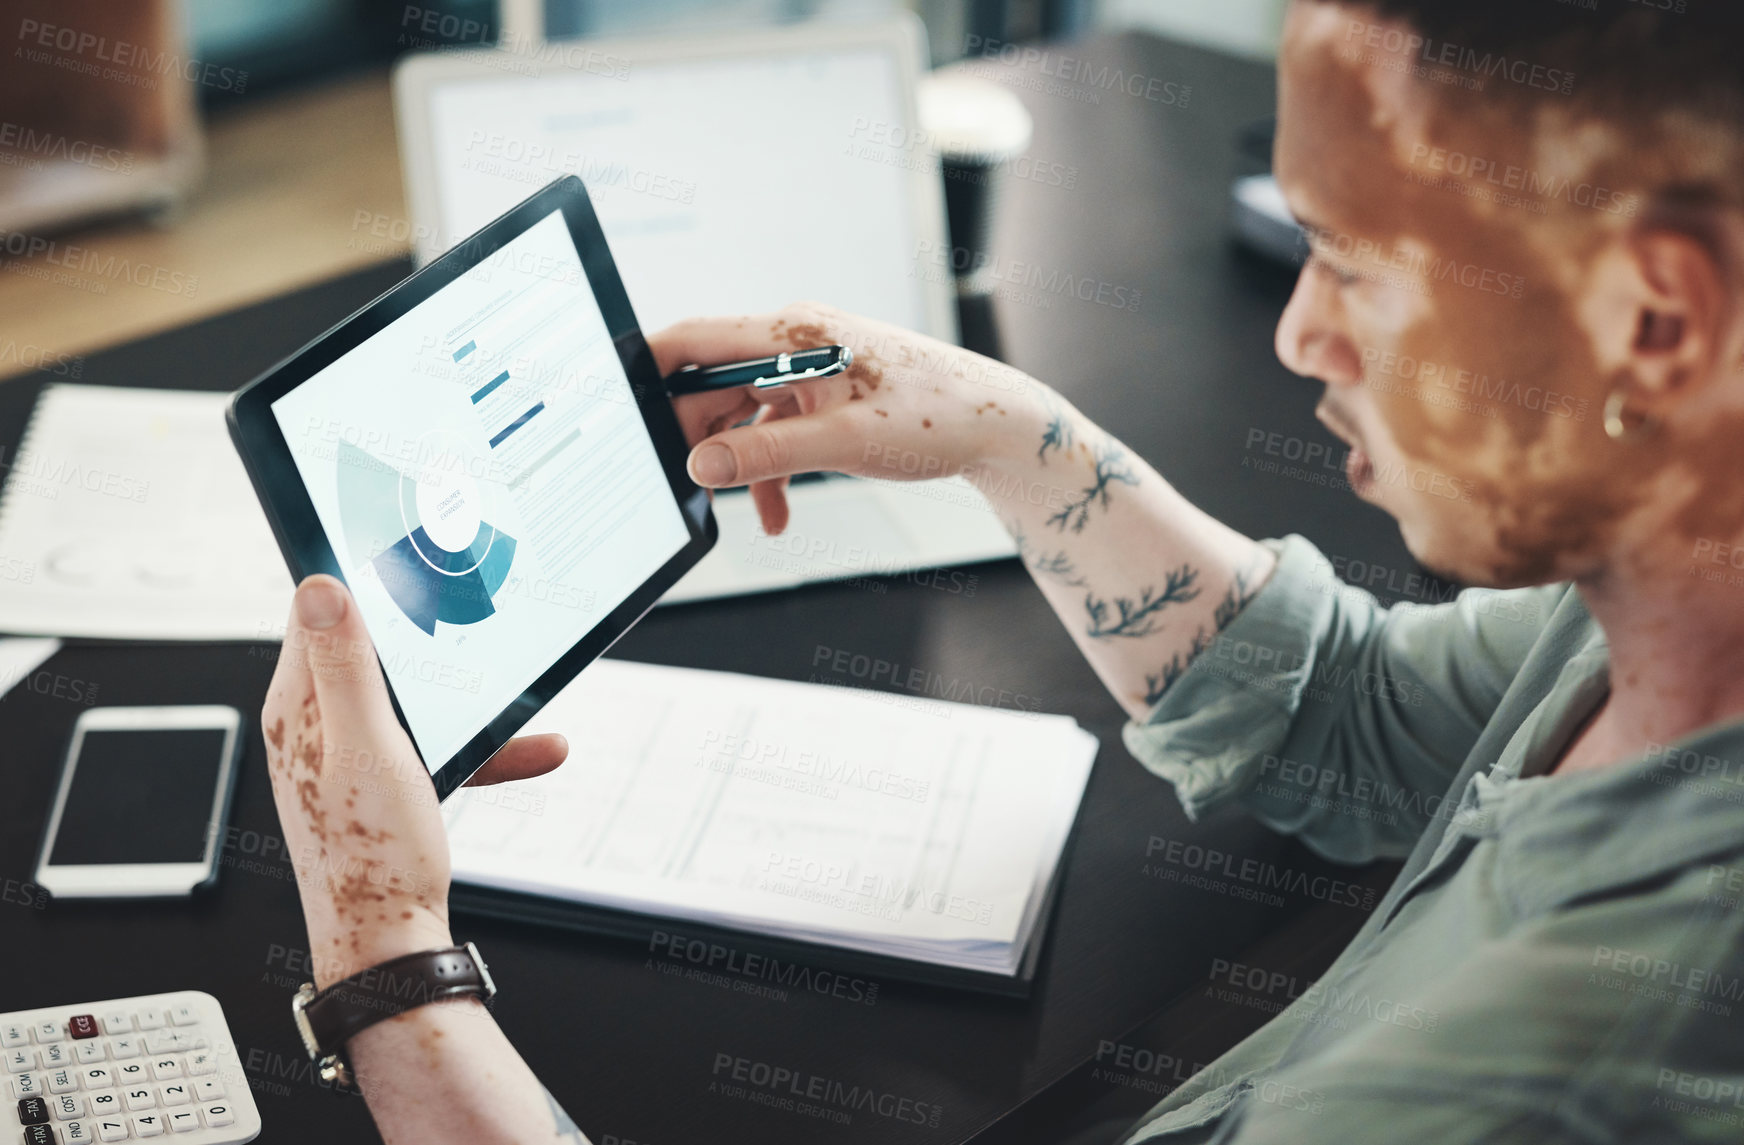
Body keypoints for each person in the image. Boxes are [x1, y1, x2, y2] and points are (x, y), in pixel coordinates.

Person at [260, 0, 1744, 1141]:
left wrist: (385, 953)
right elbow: (1353, 715)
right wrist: (1007, 431)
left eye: (1350, 262)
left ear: (1657, 325)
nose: (1303, 334)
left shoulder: (1552, 1067)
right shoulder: (1652, 609)